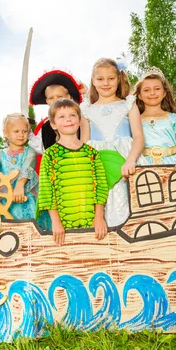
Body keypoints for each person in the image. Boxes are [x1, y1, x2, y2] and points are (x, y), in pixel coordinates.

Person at [80, 58, 145, 226]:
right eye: (100, 79)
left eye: (111, 78)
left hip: (125, 158)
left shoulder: (128, 105)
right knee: (100, 201)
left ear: (118, 79)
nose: (105, 83)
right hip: (97, 162)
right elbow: (84, 143)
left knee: (126, 200)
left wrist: (130, 160)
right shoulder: (87, 110)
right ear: (93, 81)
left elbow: (138, 137)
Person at [37, 98, 108, 246]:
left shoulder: (92, 153)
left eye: (72, 115)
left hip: (91, 221)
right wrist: (55, 222)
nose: (68, 120)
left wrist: (99, 217)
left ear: (79, 120)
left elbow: (101, 186)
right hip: (62, 226)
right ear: (53, 124)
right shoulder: (50, 155)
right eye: (62, 117)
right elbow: (46, 191)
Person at [133, 67, 176, 172]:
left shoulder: (174, 119)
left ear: (164, 93)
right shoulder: (134, 120)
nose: (152, 93)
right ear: (139, 95)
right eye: (146, 90)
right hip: (143, 166)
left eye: (157, 89)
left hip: (173, 167)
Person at [28, 69, 85, 155]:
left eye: (59, 96)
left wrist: (86, 94)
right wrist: (28, 132)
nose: (55, 100)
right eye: (51, 98)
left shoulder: (78, 119)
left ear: (68, 97)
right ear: (47, 101)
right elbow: (40, 148)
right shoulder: (45, 127)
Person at [0, 113, 38, 220]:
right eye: (16, 131)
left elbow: (27, 168)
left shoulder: (30, 152)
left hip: (26, 198)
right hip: (5, 201)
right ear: (6, 133)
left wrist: (20, 185)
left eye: (24, 131)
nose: (21, 135)